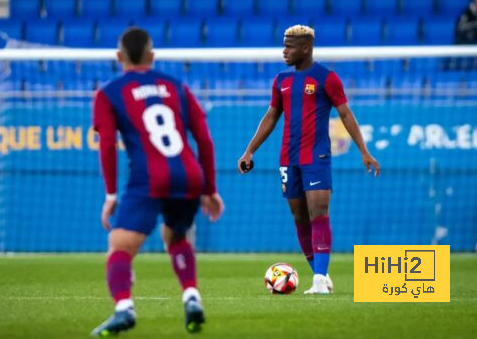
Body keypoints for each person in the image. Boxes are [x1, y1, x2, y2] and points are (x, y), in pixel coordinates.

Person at [91, 27, 224, 336]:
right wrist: (210, 188)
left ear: (118, 57)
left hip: (149, 177)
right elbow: (204, 139)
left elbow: (107, 144)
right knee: (176, 237)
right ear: (152, 56)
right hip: (189, 174)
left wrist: (111, 194)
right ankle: (192, 297)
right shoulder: (177, 86)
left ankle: (123, 308)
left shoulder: (109, 93)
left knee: (120, 247)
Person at [237, 25, 380, 295]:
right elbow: (270, 117)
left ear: (305, 48)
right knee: (299, 216)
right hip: (288, 158)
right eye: (284, 45)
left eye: (289, 46)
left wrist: (363, 150)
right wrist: (249, 150)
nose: (284, 51)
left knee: (319, 212)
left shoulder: (327, 78)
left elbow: (346, 115)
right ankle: (320, 276)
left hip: (317, 156)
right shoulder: (281, 80)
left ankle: (319, 279)